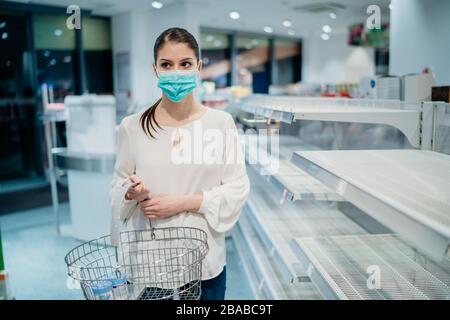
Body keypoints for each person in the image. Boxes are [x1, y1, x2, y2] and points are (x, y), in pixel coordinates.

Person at [110, 27, 250, 300]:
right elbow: (118, 182)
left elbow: (238, 187)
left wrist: (185, 202)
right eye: (166, 64)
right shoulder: (132, 127)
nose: (176, 72)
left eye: (185, 63)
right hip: (150, 262)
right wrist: (130, 191)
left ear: (198, 67)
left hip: (203, 262)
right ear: (155, 69)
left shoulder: (220, 124)